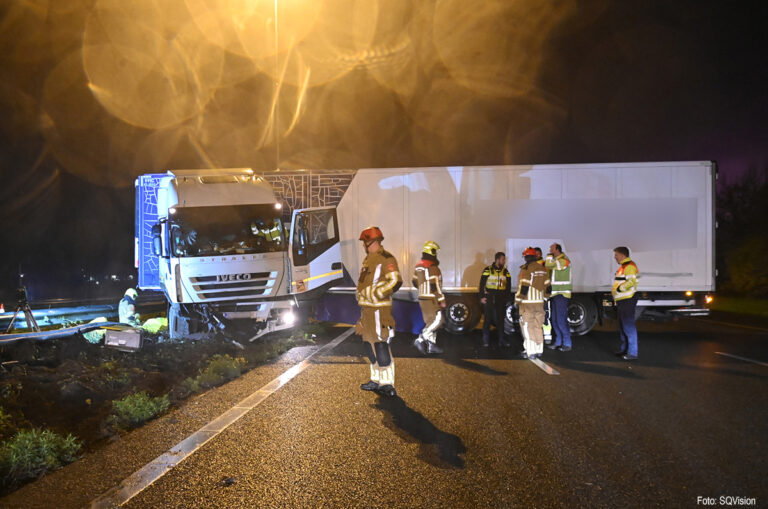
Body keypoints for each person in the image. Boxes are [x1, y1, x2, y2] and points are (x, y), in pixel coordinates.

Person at [355, 226, 403, 397]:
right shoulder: (368, 260)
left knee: (381, 345)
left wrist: (376, 293)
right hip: (367, 310)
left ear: (372, 241)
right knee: (369, 345)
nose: (363, 245)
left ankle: (387, 383)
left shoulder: (386, 258)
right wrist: (360, 294)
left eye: (364, 242)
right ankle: (375, 380)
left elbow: (395, 281)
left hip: (379, 310)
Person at [515, 247, 550, 359]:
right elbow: (548, 287)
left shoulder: (526, 269)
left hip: (527, 303)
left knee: (527, 326)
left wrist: (518, 300)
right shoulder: (543, 269)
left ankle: (530, 352)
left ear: (526, 257)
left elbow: (524, 287)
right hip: (539, 303)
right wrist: (545, 298)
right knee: (537, 326)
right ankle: (539, 349)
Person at [412, 241, 446, 355]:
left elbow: (414, 282)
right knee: (439, 320)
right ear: (431, 252)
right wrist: (441, 299)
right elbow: (434, 285)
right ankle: (421, 338)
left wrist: (423, 290)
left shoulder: (418, 266)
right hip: (432, 299)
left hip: (422, 298)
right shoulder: (432, 267)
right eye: (435, 251)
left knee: (430, 321)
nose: (436, 254)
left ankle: (432, 346)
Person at [478, 252, 512, 348]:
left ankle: (502, 340)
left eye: (504, 259)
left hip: (500, 298)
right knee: (487, 319)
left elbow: (508, 286)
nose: (504, 261)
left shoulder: (505, 272)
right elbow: (481, 284)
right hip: (489, 297)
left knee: (501, 320)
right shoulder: (488, 270)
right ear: (497, 260)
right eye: (503, 259)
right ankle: (485, 340)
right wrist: (481, 297)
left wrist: (507, 298)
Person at [613, 246, 639, 360]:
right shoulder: (624, 266)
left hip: (627, 299)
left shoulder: (629, 266)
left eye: (616, 255)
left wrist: (619, 289)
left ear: (622, 255)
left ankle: (632, 352)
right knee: (623, 326)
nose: (615, 257)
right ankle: (625, 349)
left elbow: (632, 282)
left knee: (628, 326)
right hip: (623, 299)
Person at [545, 243, 572, 352]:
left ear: (557, 249)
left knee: (561, 320)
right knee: (554, 320)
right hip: (555, 294)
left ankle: (567, 343)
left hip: (562, 294)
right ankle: (558, 342)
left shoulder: (564, 260)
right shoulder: (557, 260)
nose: (549, 249)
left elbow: (548, 265)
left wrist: (548, 256)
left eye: (551, 248)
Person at [534, 247, 554, 344]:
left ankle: (547, 336)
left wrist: (546, 295)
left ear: (541, 254)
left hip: (543, 295)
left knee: (545, 316)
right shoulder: (531, 265)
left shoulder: (545, 264)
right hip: (534, 296)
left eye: (538, 253)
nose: (537, 255)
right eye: (535, 253)